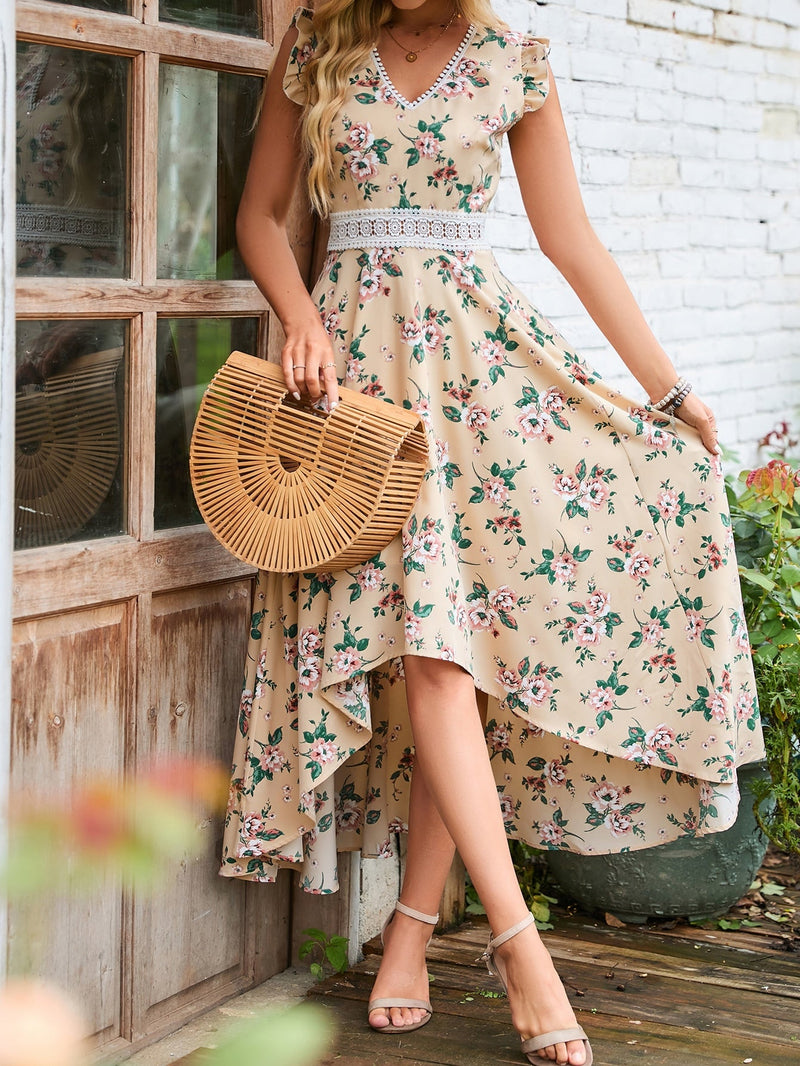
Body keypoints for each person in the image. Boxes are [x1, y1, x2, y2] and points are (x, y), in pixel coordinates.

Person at [222, 3, 764, 1064]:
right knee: (436, 662)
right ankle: (496, 946)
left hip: (476, 382)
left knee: (446, 659)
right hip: (354, 386)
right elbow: (258, 215)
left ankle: (437, 938)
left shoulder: (515, 61)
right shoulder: (318, 42)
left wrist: (669, 389)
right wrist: (300, 316)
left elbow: (568, 241)